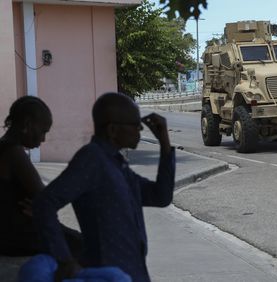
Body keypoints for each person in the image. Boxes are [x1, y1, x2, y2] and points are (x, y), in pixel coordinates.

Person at [33, 92, 175, 282]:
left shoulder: (116, 164)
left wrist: (164, 143)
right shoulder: (92, 159)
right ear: (113, 130)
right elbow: (45, 203)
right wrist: (64, 259)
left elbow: (160, 197)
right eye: (134, 124)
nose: (140, 129)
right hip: (106, 273)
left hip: (133, 271)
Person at [0, 96, 81, 257]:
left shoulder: (5, 147)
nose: (43, 139)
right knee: (85, 245)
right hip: (17, 237)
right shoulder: (13, 152)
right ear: (28, 124)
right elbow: (45, 199)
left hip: (12, 233)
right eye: (43, 131)